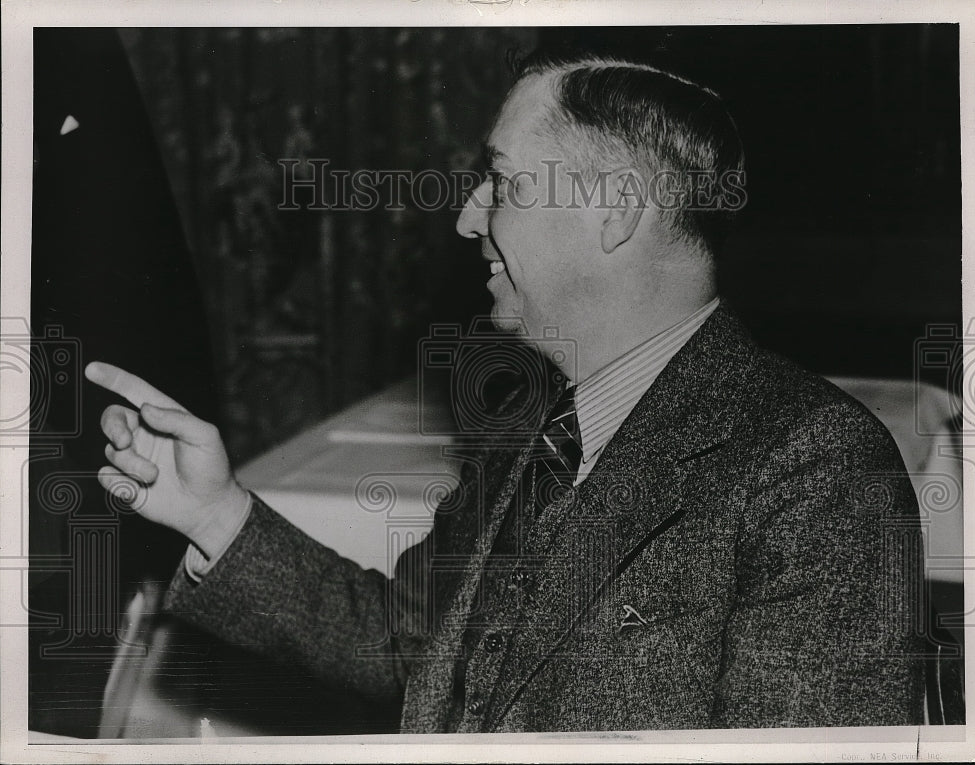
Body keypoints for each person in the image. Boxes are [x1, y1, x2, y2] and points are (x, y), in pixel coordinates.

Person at [86, 49, 925, 731]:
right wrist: (214, 513)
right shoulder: (534, 426)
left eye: (504, 183)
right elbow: (412, 648)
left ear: (616, 209)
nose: (466, 217)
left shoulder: (818, 469)